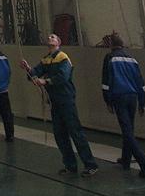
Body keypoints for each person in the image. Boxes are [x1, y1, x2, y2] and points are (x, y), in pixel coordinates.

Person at [22, 34, 98, 177]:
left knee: (75, 132)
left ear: (59, 42)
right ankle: (70, 165)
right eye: (49, 37)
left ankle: (90, 165)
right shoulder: (46, 60)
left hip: (66, 100)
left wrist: (46, 81)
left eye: (53, 36)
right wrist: (28, 68)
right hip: (55, 102)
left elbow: (63, 77)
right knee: (60, 135)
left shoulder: (63, 58)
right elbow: (34, 74)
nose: (50, 37)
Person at [101, 32, 145, 177]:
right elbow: (140, 82)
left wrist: (107, 100)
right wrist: (143, 102)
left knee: (127, 131)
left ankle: (144, 164)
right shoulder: (132, 59)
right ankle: (126, 160)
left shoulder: (109, 58)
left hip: (119, 96)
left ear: (111, 45)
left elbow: (106, 82)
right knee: (129, 129)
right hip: (133, 97)